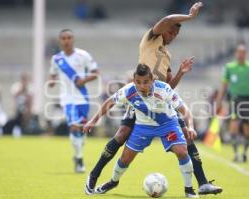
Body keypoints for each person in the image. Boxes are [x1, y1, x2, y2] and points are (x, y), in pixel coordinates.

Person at [86, 1, 222, 195]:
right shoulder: (151, 38)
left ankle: (201, 183)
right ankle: (96, 174)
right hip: (140, 98)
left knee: (186, 136)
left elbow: (169, 87)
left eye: (176, 35)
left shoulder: (167, 54)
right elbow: (167, 19)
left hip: (159, 99)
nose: (172, 36)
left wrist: (181, 73)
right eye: (171, 32)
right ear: (164, 30)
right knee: (122, 133)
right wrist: (190, 17)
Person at [84, 65, 198, 198]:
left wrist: (190, 126)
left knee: (182, 151)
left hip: (167, 124)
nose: (141, 86)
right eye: (138, 82)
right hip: (143, 126)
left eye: (145, 82)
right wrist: (93, 120)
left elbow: (186, 111)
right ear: (134, 81)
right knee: (125, 158)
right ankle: (113, 182)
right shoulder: (129, 90)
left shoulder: (163, 89)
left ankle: (189, 190)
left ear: (152, 81)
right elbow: (109, 102)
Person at [48, 29, 99, 173]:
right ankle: (79, 160)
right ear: (60, 40)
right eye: (63, 38)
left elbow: (96, 73)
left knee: (81, 131)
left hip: (82, 97)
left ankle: (78, 151)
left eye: (69, 37)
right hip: (67, 99)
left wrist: (83, 80)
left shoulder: (83, 55)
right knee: (74, 127)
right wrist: (51, 81)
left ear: (73, 39)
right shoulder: (56, 59)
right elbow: (52, 75)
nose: (66, 40)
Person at [216, 44, 249, 162]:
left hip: (248, 99)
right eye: (239, 52)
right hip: (235, 99)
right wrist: (219, 99)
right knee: (234, 123)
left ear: (246, 54)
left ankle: (245, 152)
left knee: (247, 125)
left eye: (243, 52)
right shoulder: (230, 67)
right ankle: (236, 153)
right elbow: (224, 84)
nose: (240, 54)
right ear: (236, 53)